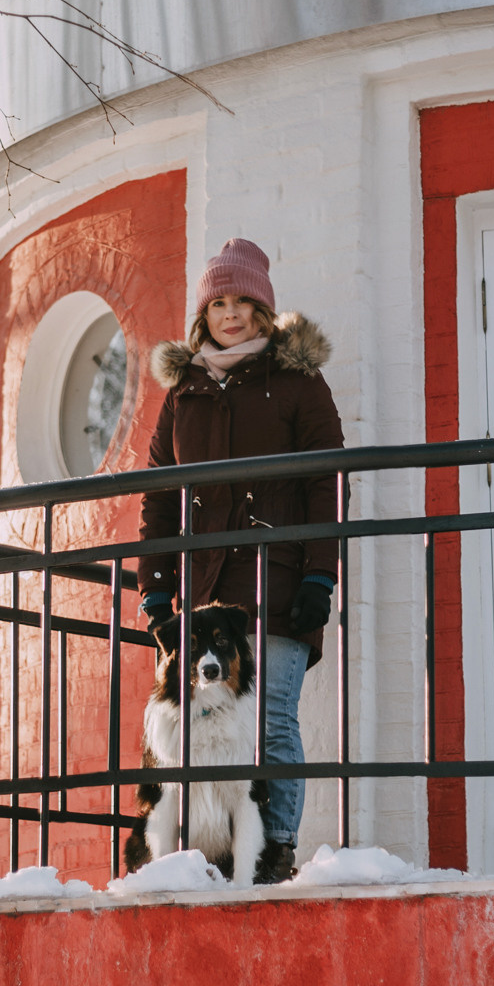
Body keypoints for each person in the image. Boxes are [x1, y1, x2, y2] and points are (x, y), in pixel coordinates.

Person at [137, 237, 345, 884]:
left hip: (280, 580)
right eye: (218, 302)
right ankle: (209, 848)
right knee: (201, 726)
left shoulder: (297, 382)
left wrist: (320, 573)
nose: (231, 314)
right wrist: (156, 584)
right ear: (204, 313)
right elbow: (160, 496)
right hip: (206, 596)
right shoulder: (184, 392)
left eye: (243, 302)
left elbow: (328, 480)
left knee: (271, 718)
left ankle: (276, 847)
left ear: (263, 309)